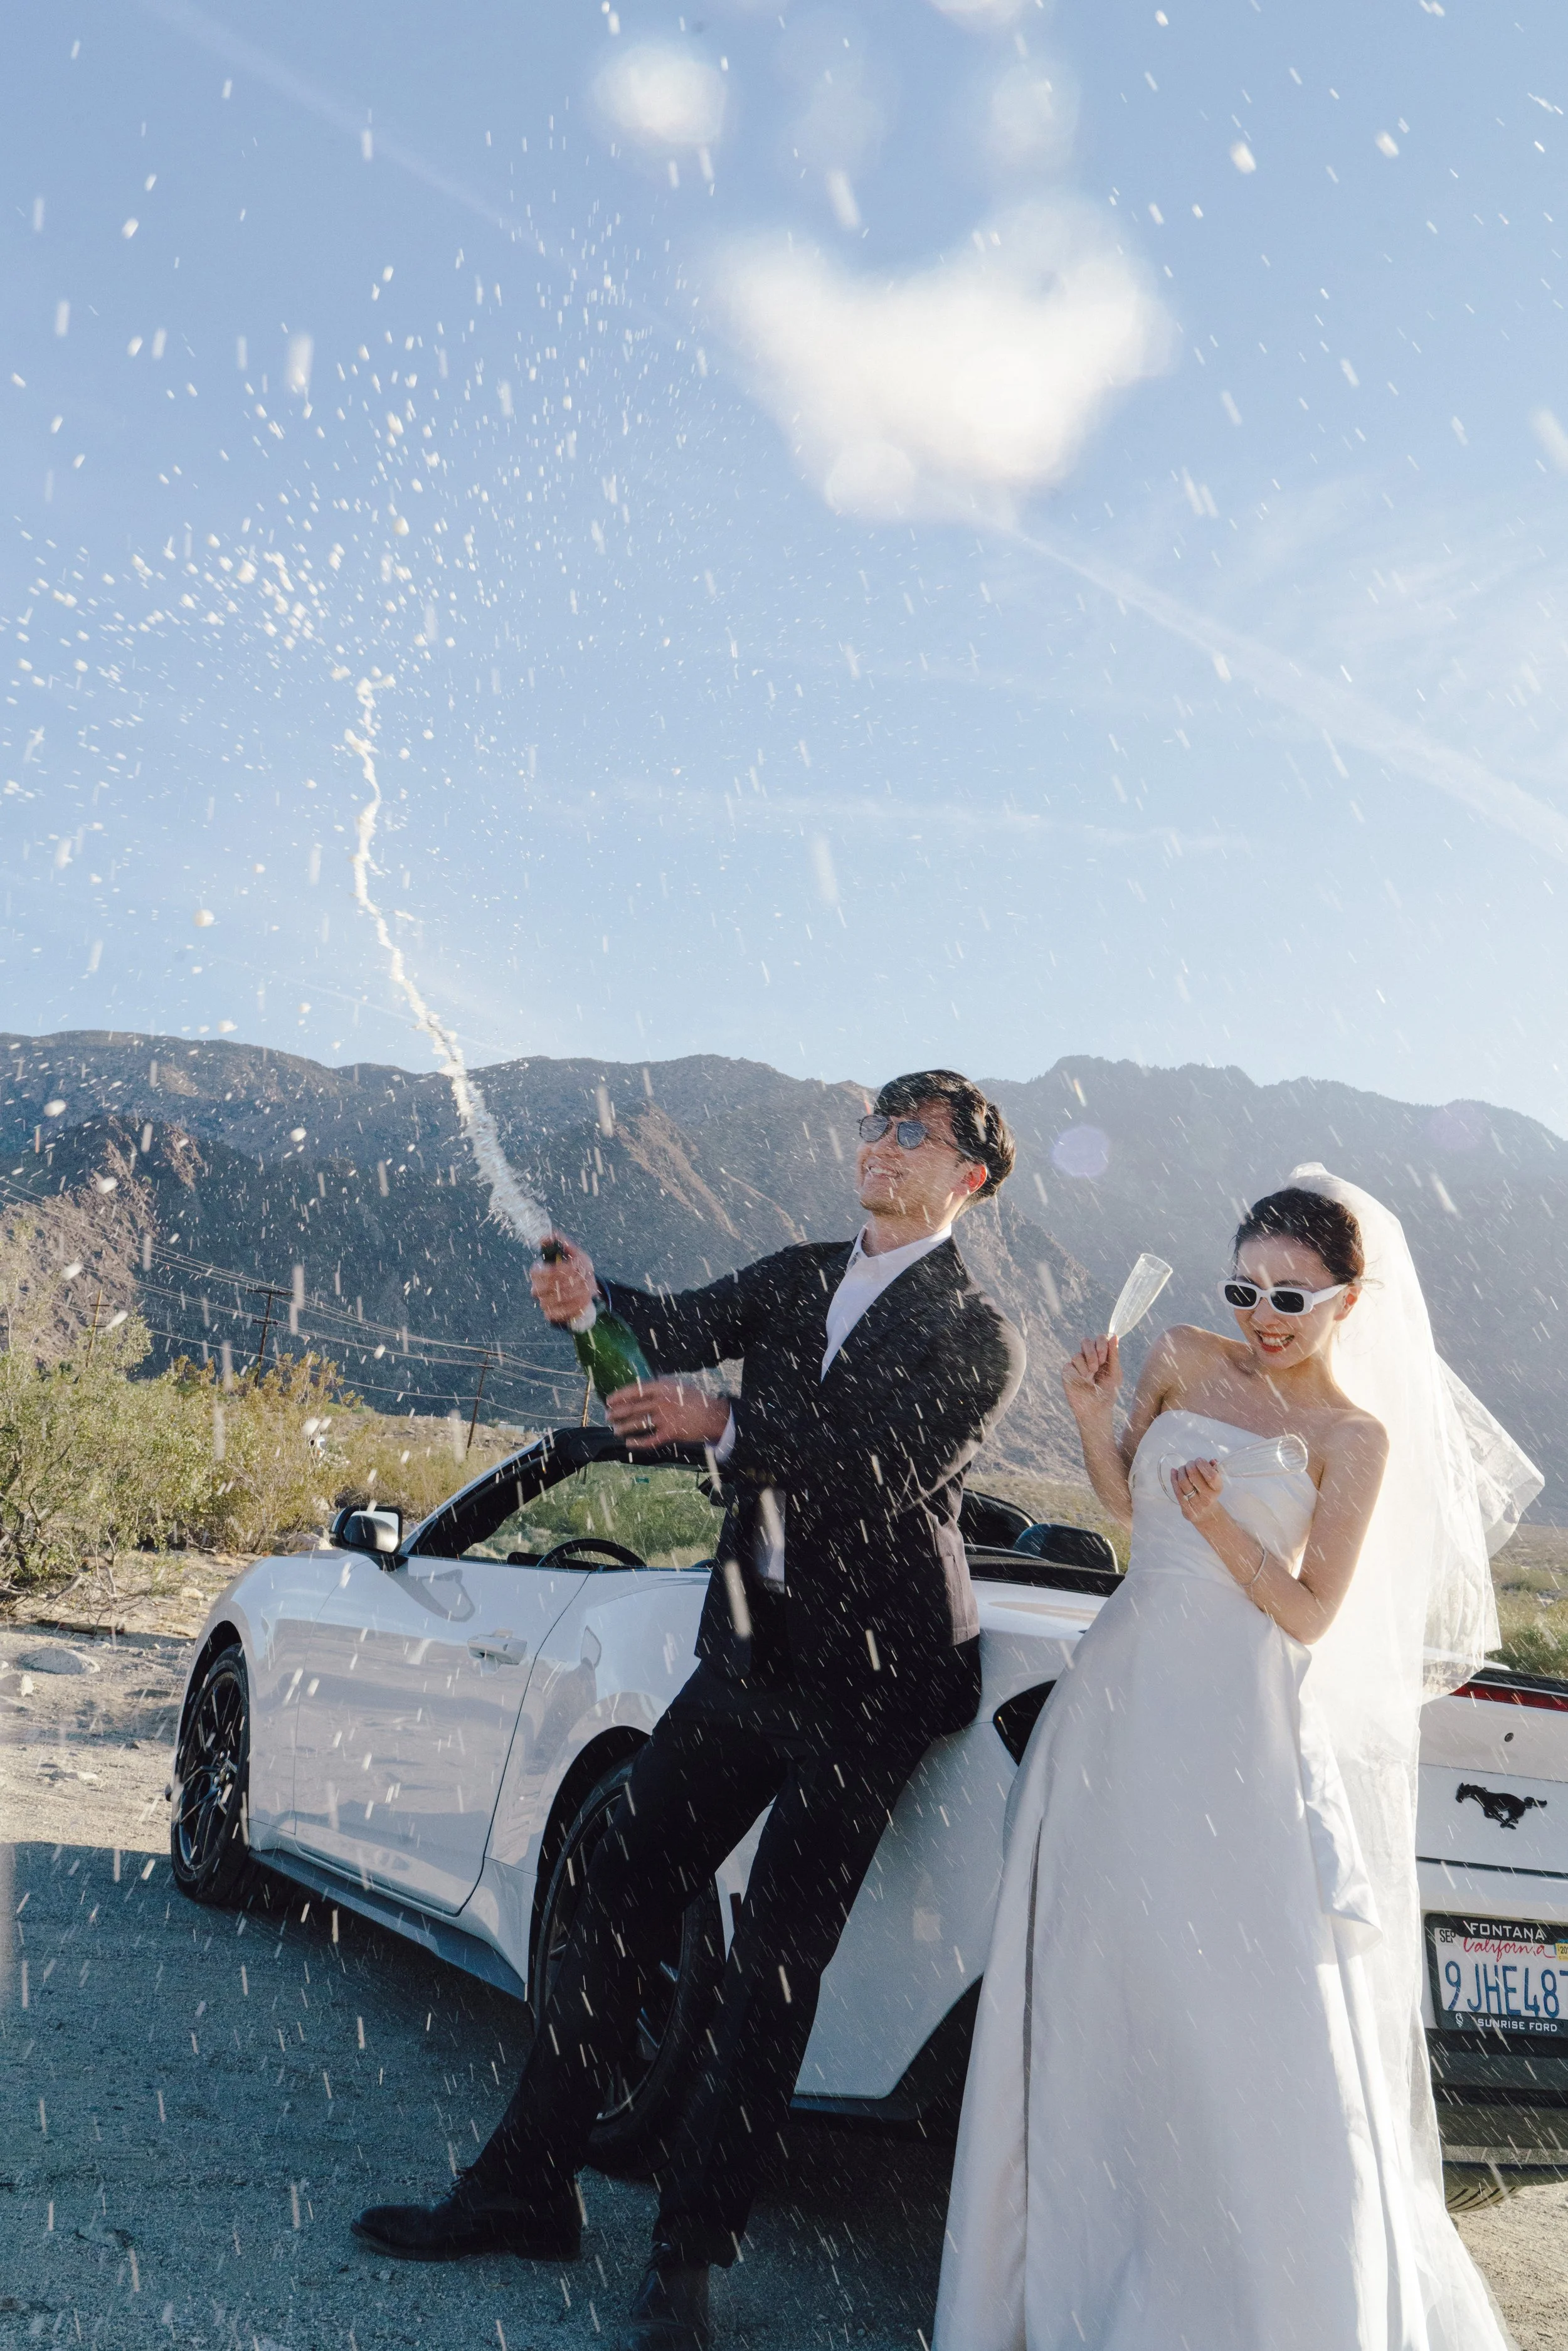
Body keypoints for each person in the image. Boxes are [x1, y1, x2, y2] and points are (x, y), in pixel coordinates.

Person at [354, 1069, 1025, 2351]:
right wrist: (585, 1298)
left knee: (772, 1962)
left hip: (873, 1679)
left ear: (966, 1179)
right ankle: (525, 2183)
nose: (878, 1145)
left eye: (911, 1132)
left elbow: (873, 1466)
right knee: (615, 1872)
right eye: (872, 1122)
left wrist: (721, 1420)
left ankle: (687, 2256)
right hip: (750, 1651)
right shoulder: (794, 1271)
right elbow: (667, 1318)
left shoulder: (981, 1336)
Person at [936, 1167, 1542, 2351]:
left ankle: (1251, 2302)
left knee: (1237, 2011)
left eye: (1293, 1298)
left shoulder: (1351, 1440)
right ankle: (1090, 2276)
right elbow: (1125, 1506)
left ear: (1349, 1305)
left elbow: (1312, 1614)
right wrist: (1090, 1416)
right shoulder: (1182, 1355)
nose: (1263, 1315)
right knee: (1101, 1988)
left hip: (1238, 1739)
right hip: (1115, 1712)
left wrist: (1222, 1527)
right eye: (1247, 1287)